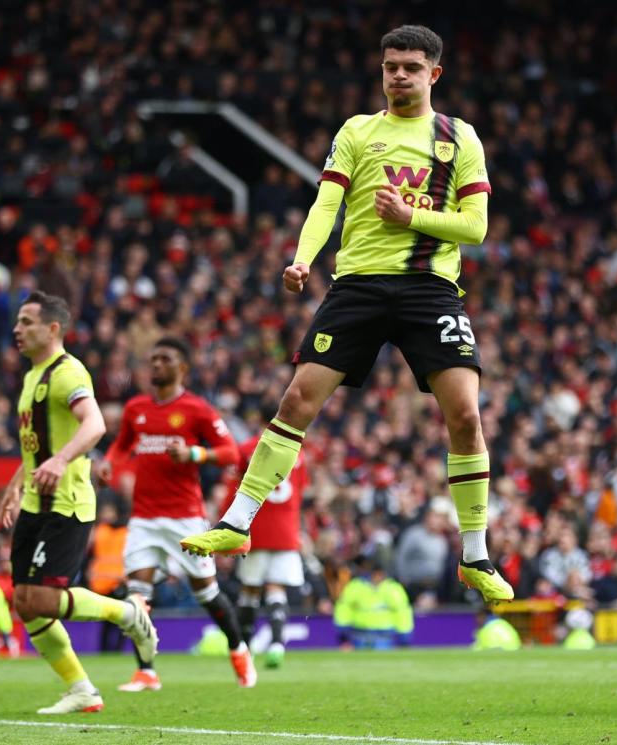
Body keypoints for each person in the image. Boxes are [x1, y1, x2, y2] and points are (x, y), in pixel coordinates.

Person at [180, 25, 512, 603]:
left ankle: (476, 554)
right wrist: (302, 259)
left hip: (429, 287)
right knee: (296, 400)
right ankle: (236, 523)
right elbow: (326, 201)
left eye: (411, 67)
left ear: (434, 74)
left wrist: (412, 218)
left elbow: (476, 227)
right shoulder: (358, 132)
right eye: (390, 67)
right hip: (357, 284)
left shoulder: (460, 138)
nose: (399, 76)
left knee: (465, 414)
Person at [0, 290, 158, 715]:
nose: (17, 329)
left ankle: (127, 613)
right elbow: (38, 445)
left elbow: (95, 424)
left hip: (66, 502)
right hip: (36, 500)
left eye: (27, 322)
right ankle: (82, 689)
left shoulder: (68, 373)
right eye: (17, 322)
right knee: (25, 602)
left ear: (52, 328)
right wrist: (17, 482)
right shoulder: (32, 376)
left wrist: (61, 459)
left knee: (48, 600)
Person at [99, 336, 255, 690]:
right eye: (152, 359)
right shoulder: (135, 408)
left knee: (207, 594)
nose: (155, 365)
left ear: (182, 367)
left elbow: (230, 453)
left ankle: (238, 649)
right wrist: (109, 463)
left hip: (184, 516)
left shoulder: (197, 409)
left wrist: (195, 455)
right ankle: (147, 671)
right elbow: (123, 443)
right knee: (137, 594)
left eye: (164, 359)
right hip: (143, 518)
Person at [219, 432, 308, 670]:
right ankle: (278, 644)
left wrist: (224, 524)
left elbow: (235, 488)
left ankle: (245, 648)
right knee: (276, 588)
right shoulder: (299, 453)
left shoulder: (248, 448)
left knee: (250, 588)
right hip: (287, 530)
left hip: (257, 528)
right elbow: (300, 489)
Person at [333, 555, 414, 650]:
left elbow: (402, 612)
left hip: (384, 636)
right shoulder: (356, 586)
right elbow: (344, 608)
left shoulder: (393, 588)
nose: (377, 577)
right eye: (375, 574)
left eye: (380, 574)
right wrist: (343, 631)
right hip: (359, 635)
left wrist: (404, 635)